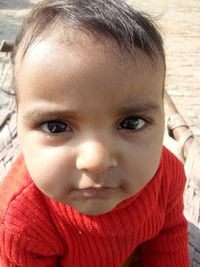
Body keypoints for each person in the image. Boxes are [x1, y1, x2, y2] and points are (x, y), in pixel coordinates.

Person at [0, 0, 190, 266]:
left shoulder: (167, 176)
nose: (96, 160)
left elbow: (169, 239)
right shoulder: (22, 217)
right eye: (56, 126)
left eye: (131, 123)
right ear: (19, 128)